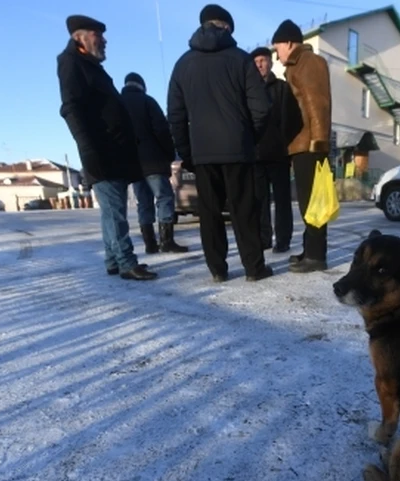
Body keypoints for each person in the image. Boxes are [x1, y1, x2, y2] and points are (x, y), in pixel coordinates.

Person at [167, 4, 273, 283]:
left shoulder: (183, 64)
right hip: (238, 149)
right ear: (226, 27)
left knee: (210, 213)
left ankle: (217, 269)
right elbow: (262, 108)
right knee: (244, 210)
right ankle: (254, 268)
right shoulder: (240, 59)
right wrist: (249, 139)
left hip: (202, 152)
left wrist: (187, 152)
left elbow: (175, 115)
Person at [57, 15, 156, 280]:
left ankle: (113, 260)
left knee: (112, 211)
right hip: (102, 152)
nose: (104, 40)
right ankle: (126, 262)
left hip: (113, 151)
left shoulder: (88, 65)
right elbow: (71, 109)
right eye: (97, 35)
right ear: (80, 37)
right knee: (115, 213)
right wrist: (89, 149)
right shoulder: (71, 64)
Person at [272, 19, 332, 274]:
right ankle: (310, 249)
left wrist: (319, 142)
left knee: (314, 203)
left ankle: (316, 256)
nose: (277, 55)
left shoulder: (309, 63)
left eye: (278, 49)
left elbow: (317, 103)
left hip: (310, 145)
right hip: (302, 144)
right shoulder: (298, 65)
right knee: (307, 203)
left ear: (288, 42)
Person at [120, 72, 188, 254]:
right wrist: (168, 154)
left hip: (132, 163)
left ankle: (150, 243)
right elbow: (162, 129)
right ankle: (167, 241)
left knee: (143, 202)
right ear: (142, 85)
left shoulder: (117, 103)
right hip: (153, 160)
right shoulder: (147, 101)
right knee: (164, 198)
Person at [251, 47, 300, 254]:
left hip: (279, 154)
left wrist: (284, 142)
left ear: (270, 63)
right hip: (256, 155)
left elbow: (292, 119)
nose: (260, 64)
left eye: (263, 60)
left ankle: (283, 239)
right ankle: (264, 238)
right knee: (259, 201)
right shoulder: (248, 91)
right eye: (256, 61)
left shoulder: (282, 88)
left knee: (282, 200)